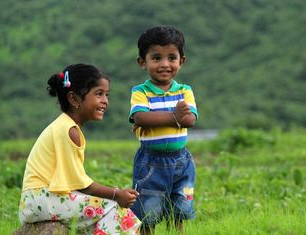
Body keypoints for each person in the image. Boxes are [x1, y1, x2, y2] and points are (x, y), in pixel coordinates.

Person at [19, 63, 141, 235]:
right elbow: (80, 184)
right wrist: (115, 193)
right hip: (41, 198)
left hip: (40, 199)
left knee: (105, 207)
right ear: (74, 99)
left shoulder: (65, 126)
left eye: (106, 94)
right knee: (112, 206)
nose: (105, 100)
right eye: (98, 94)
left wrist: (114, 193)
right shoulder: (68, 130)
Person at [129, 26, 198, 234]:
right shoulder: (140, 92)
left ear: (181, 61)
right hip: (151, 161)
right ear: (143, 62)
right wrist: (174, 117)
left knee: (180, 202)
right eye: (156, 58)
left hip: (181, 160)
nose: (165, 64)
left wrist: (160, 119)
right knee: (148, 206)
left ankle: (177, 231)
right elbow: (140, 117)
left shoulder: (185, 90)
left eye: (171, 58)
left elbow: (190, 119)